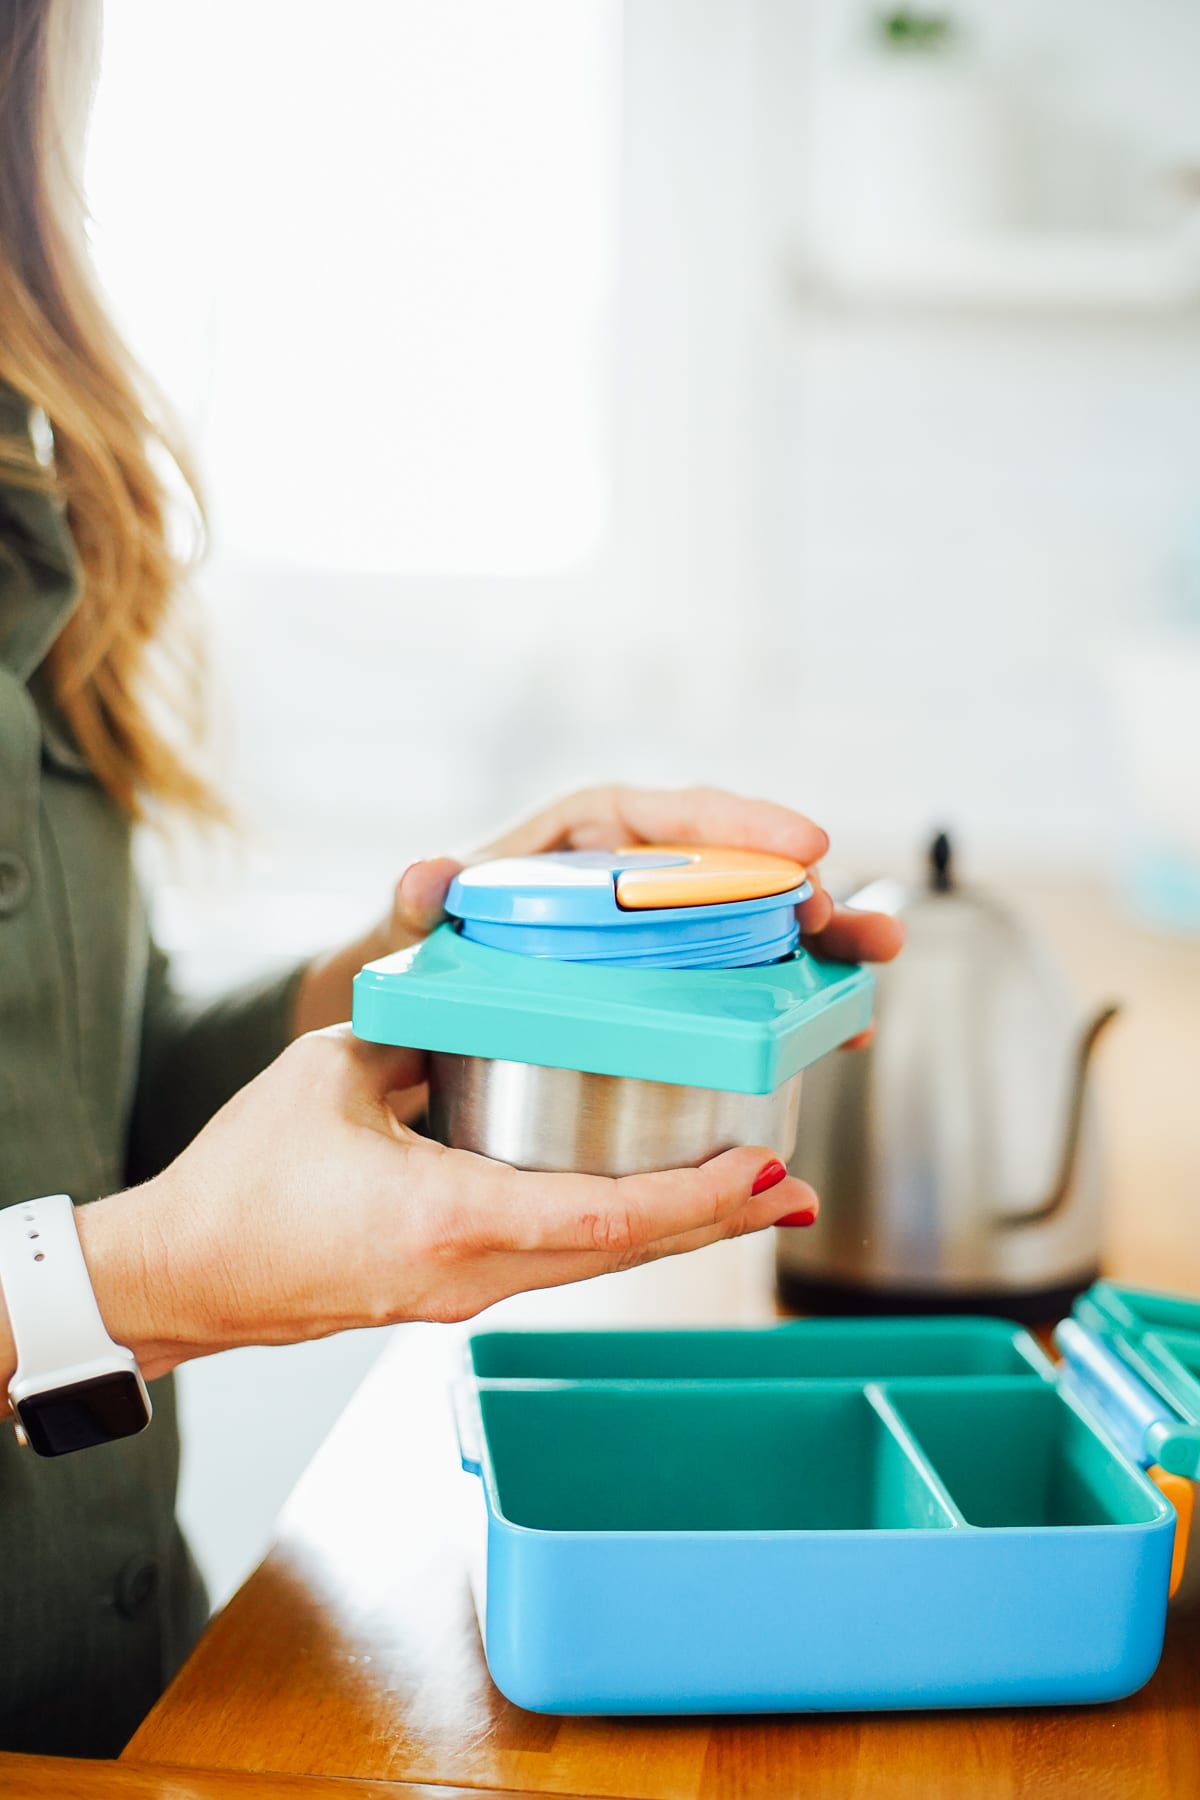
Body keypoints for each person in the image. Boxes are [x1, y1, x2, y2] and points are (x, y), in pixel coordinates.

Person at [0, 0, 903, 1760]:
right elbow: (104, 1238)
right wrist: (129, 1288)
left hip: (125, 1711)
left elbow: (80, 1104)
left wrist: (444, 953)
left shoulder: (35, 496)